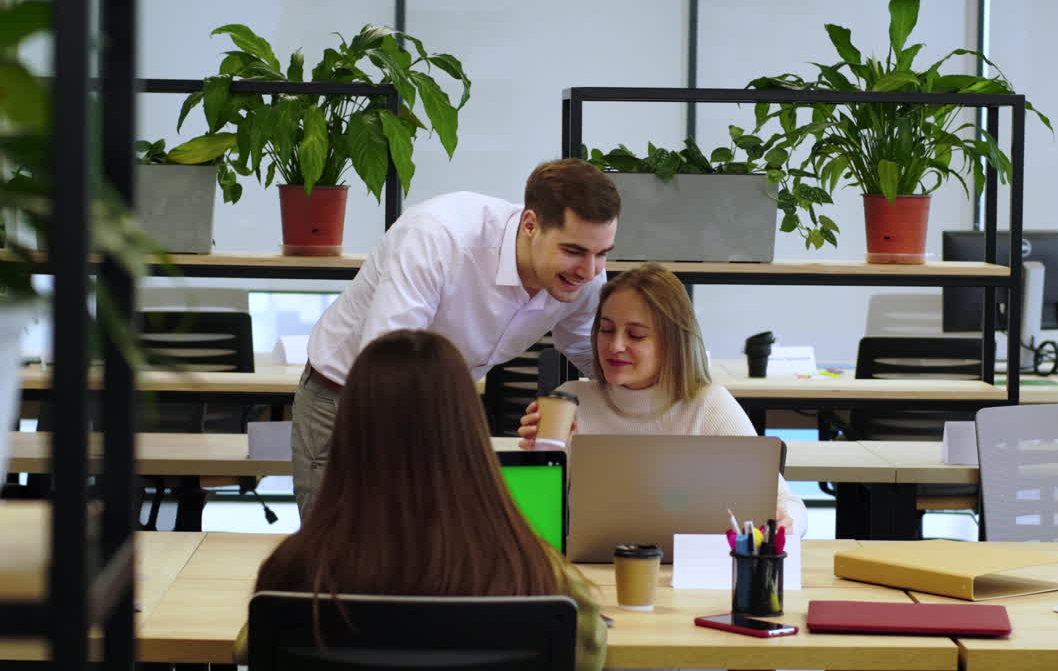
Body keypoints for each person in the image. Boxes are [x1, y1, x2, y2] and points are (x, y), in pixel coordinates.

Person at [237, 330, 606, 670]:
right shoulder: (533, 571)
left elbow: (250, 651)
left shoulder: (296, 570)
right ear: (470, 431)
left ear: (350, 431)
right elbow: (588, 651)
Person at [294, 158, 621, 516]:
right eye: (573, 251)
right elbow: (388, 363)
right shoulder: (438, 237)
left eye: (602, 254)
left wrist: (653, 400)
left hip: (439, 406)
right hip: (349, 397)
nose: (589, 271)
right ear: (530, 225)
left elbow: (590, 353)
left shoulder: (586, 276)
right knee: (341, 543)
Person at [518, 263, 808, 537]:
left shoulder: (709, 405)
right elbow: (533, 519)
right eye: (606, 330)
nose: (615, 345)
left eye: (635, 335)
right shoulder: (570, 401)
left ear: (673, 342)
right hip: (589, 567)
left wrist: (786, 522)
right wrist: (540, 460)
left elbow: (788, 504)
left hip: (691, 569)